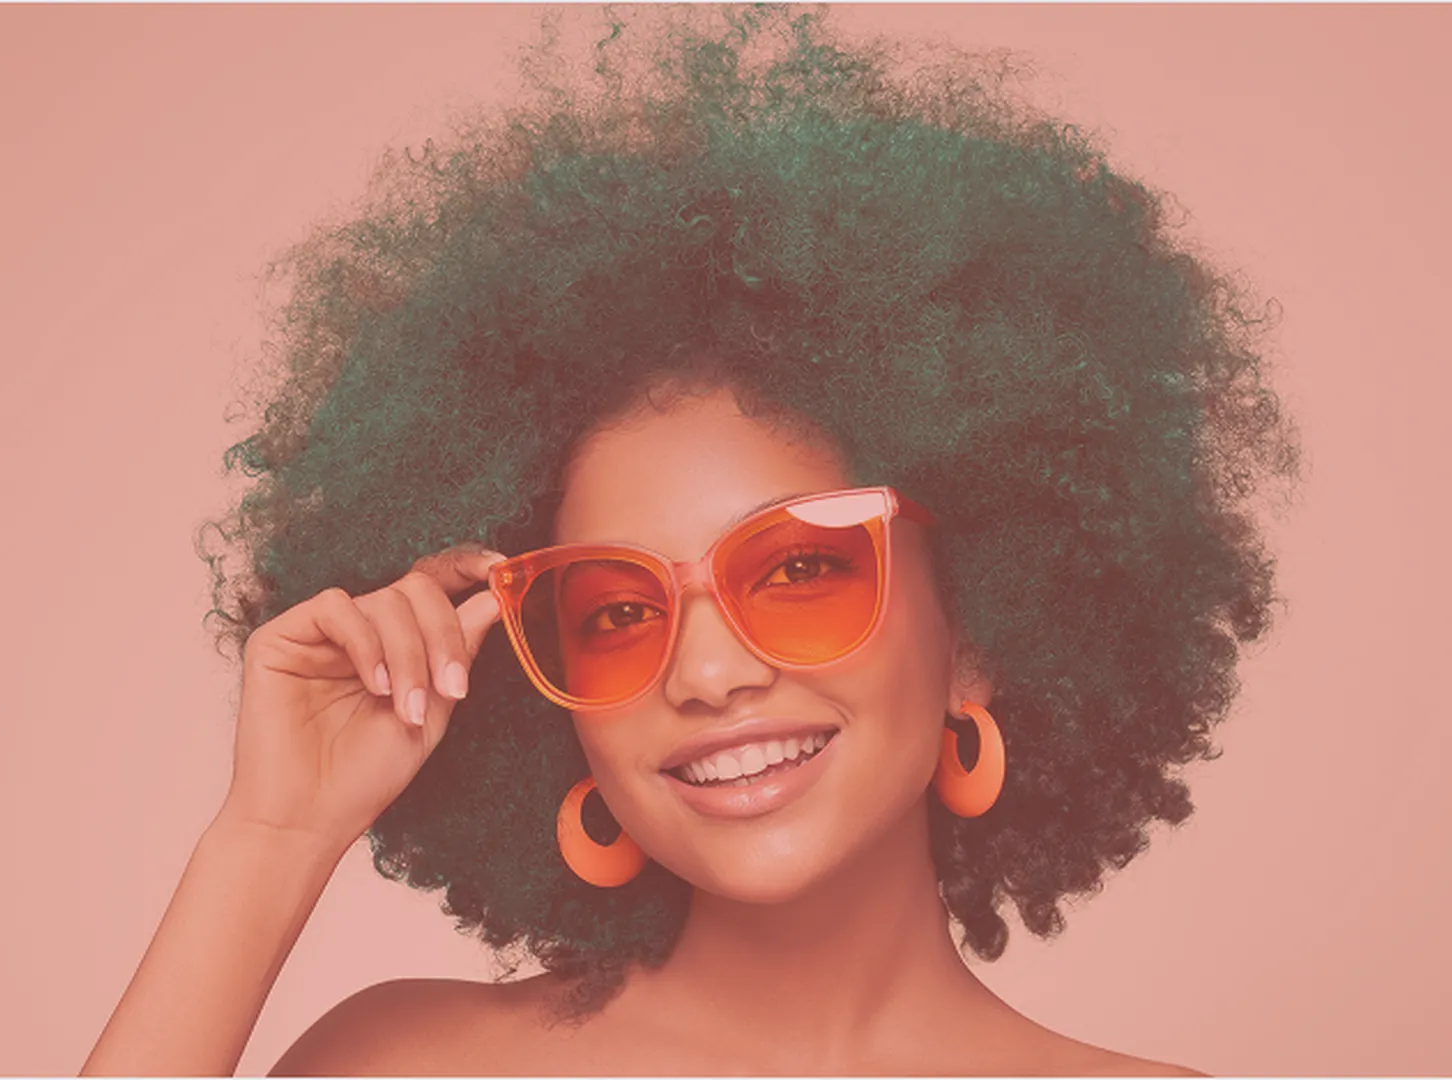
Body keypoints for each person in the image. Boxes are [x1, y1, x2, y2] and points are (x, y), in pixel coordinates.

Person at [84, 7, 1297, 1076]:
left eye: (803, 567)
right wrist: (271, 839)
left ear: (977, 631)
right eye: (614, 611)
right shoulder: (409, 1064)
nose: (706, 674)